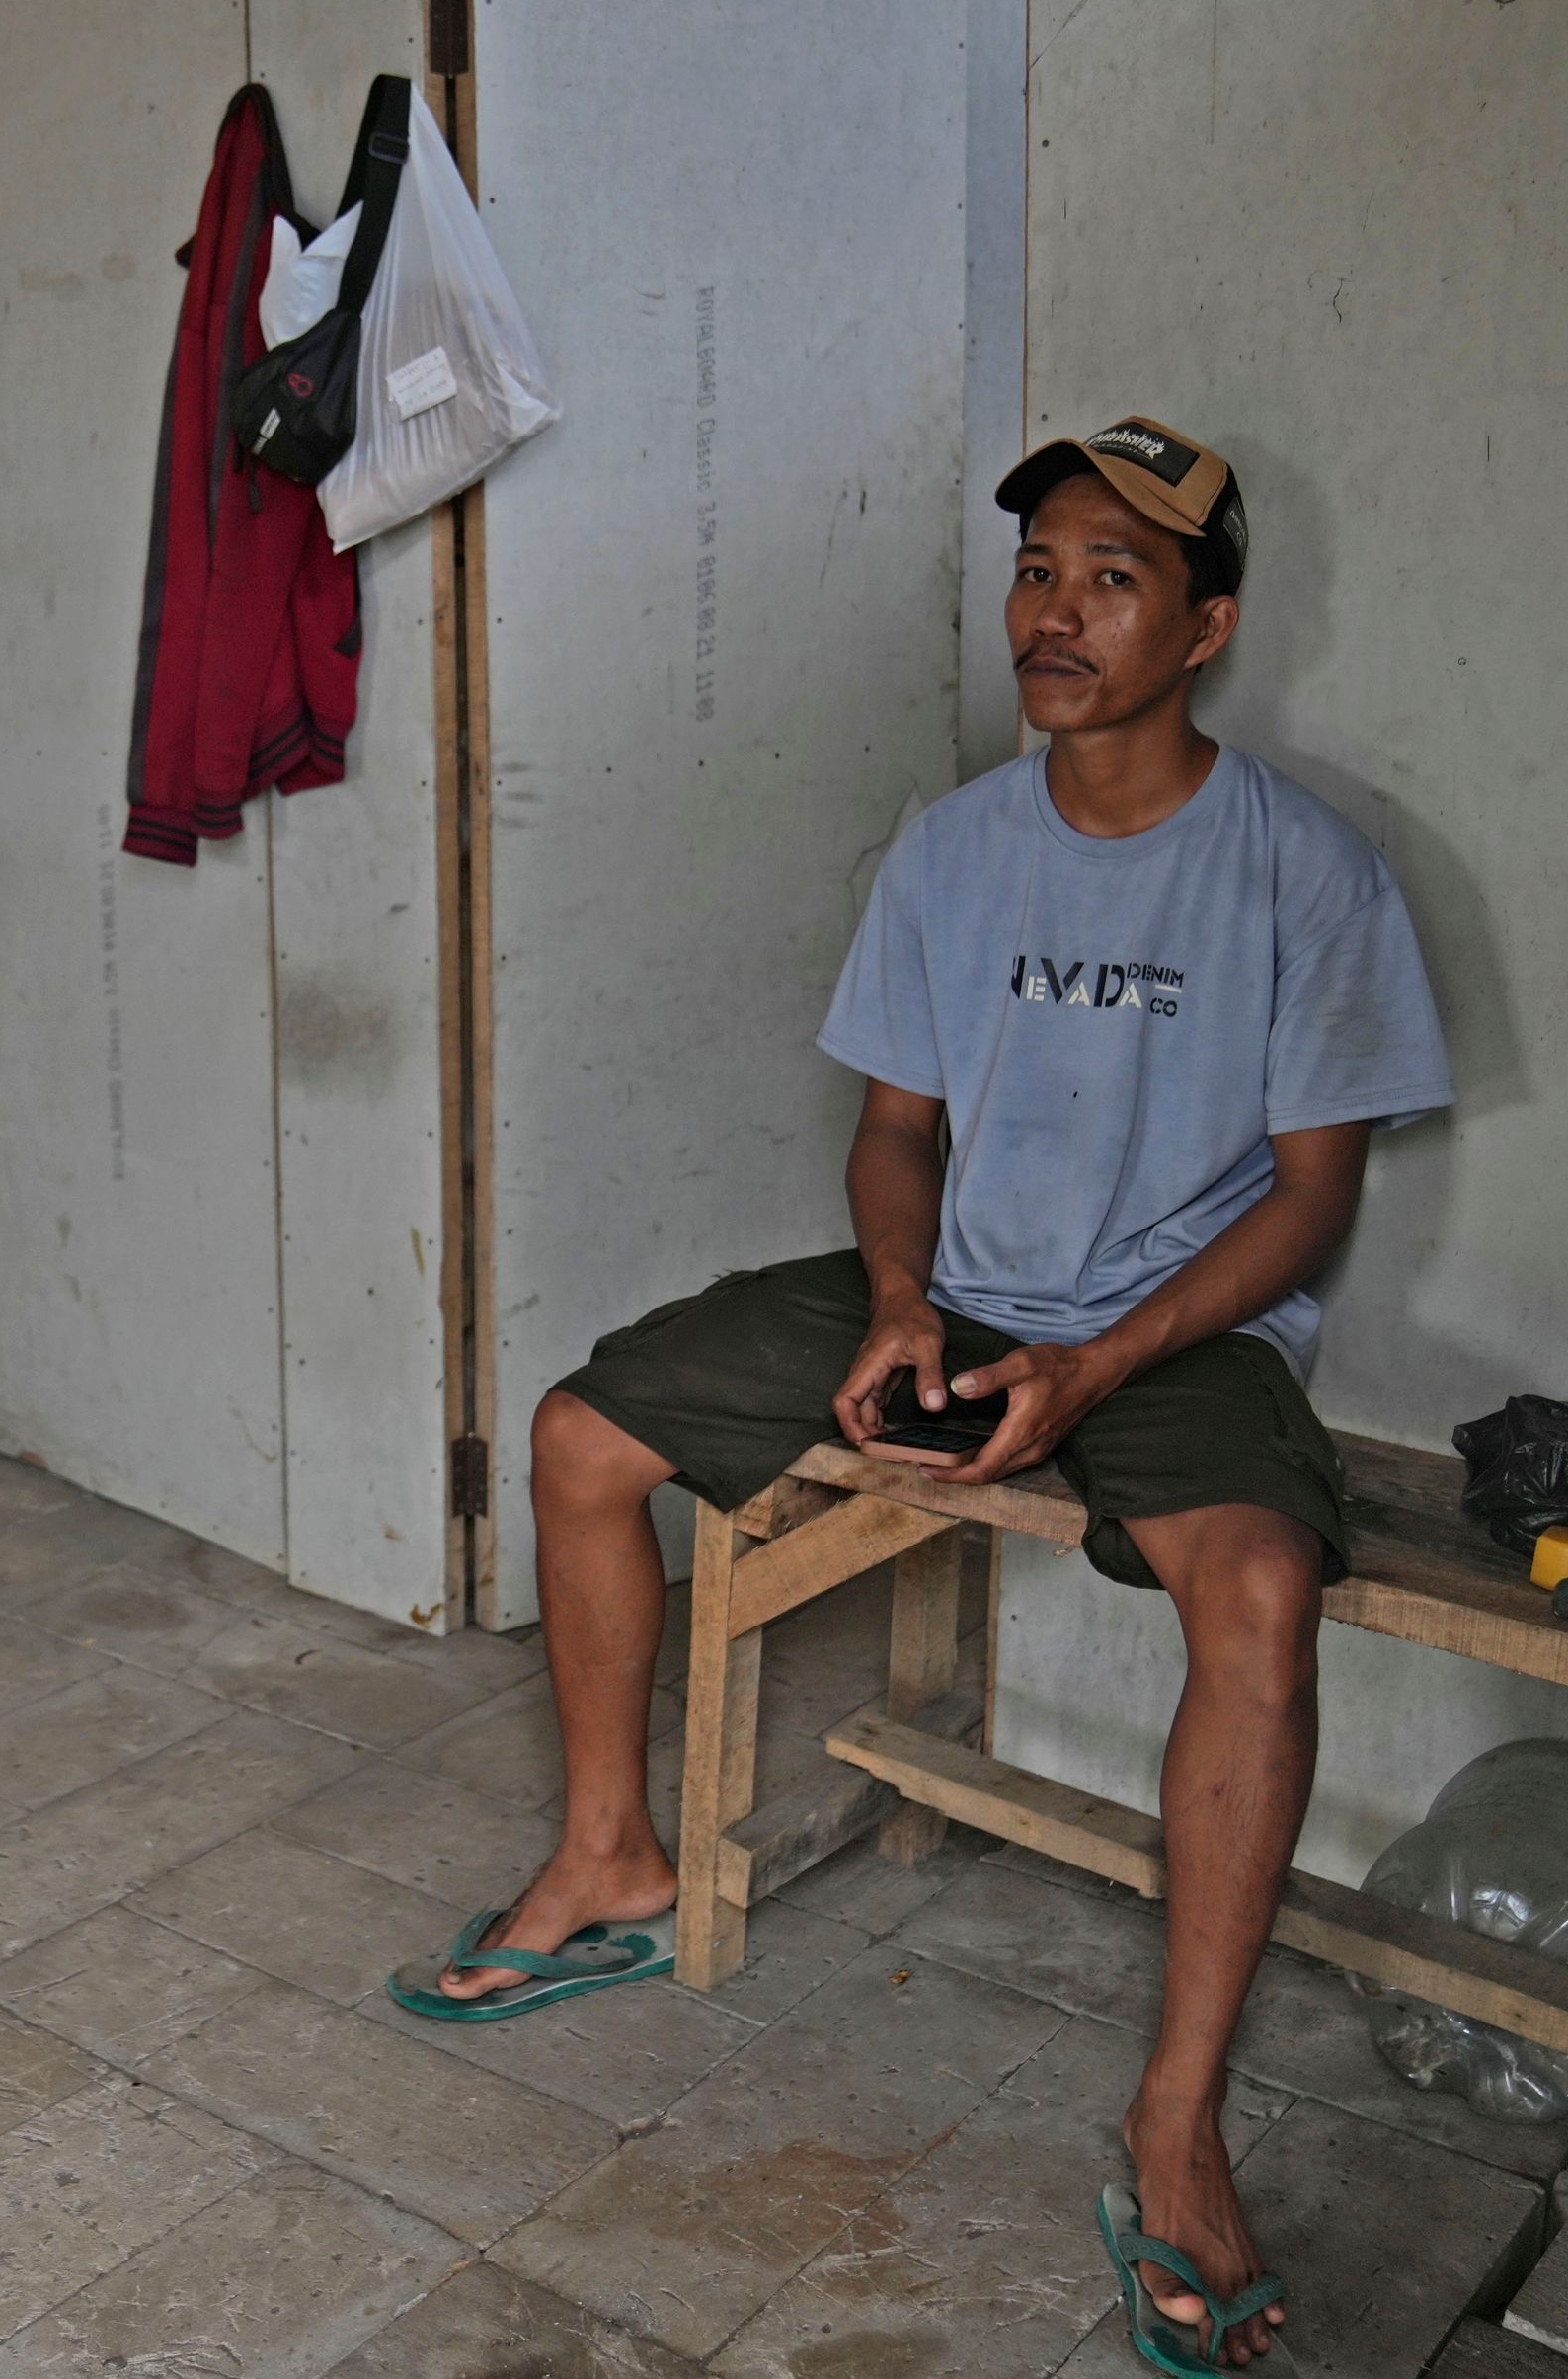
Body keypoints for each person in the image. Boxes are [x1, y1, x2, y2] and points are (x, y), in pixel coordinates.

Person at [413, 423, 1450, 2368]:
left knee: (1259, 1592)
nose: (1056, 611)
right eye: (1040, 567)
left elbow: (1312, 1200)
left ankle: (1177, 2117)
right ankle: (610, 1852)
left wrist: (1099, 1358)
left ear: (1208, 622)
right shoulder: (953, 844)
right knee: (578, 1435)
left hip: (1177, 1334)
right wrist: (901, 1299)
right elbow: (898, 1126)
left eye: (1114, 577)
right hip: (960, 1288)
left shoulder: (1306, 872)